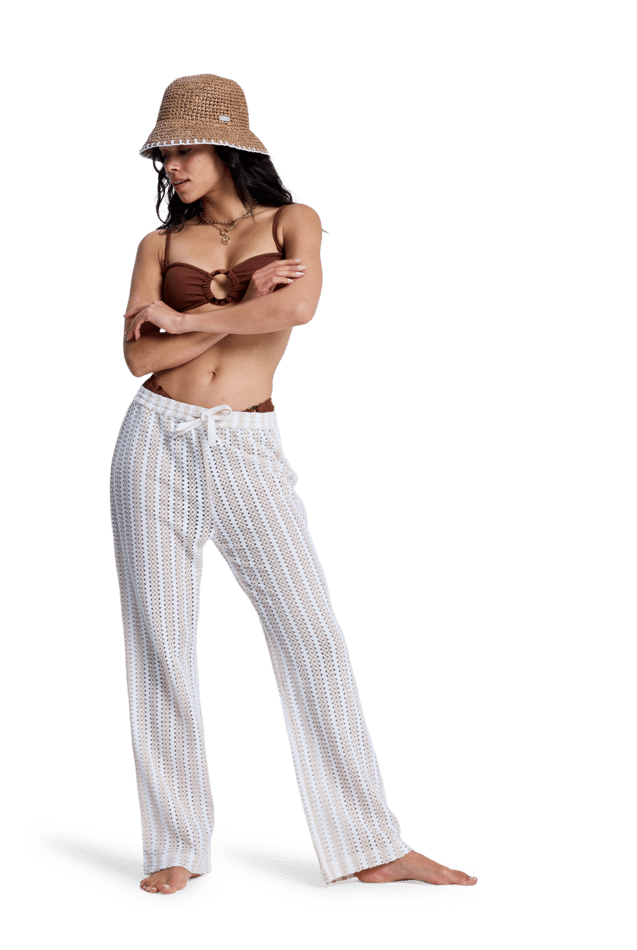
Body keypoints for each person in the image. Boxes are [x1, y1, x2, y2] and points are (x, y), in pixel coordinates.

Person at [110, 72, 477, 896]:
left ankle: (371, 843)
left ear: (229, 145)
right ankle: (174, 843)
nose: (171, 165)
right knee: (160, 642)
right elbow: (136, 357)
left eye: (185, 148)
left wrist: (188, 318)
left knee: (313, 635)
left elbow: (296, 310)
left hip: (245, 444)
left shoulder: (293, 222)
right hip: (153, 438)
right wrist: (238, 303)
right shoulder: (156, 246)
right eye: (164, 154)